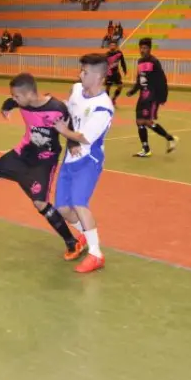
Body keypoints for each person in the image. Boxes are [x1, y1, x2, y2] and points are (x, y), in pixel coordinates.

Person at [0, 74, 87, 257]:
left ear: (29, 95)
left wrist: (73, 145)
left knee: (40, 203)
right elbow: (10, 102)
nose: (14, 99)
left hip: (44, 160)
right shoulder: (22, 102)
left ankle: (71, 242)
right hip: (22, 153)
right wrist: (6, 107)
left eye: (17, 96)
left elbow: (70, 126)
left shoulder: (56, 108)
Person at [53, 54, 114, 273]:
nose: (81, 74)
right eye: (82, 70)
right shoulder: (76, 89)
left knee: (79, 203)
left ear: (98, 76)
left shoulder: (103, 108)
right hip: (70, 158)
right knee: (62, 208)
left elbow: (86, 138)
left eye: (86, 72)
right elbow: (68, 112)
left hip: (89, 159)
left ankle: (96, 253)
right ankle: (85, 235)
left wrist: (64, 132)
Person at [127, 38, 177, 157]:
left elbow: (162, 80)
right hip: (142, 96)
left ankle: (169, 139)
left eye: (145, 48)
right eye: (141, 48)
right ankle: (147, 148)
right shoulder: (139, 62)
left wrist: (163, 97)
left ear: (149, 49)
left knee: (146, 121)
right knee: (140, 122)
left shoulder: (154, 61)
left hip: (152, 96)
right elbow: (139, 79)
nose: (142, 50)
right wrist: (133, 91)